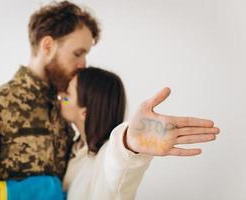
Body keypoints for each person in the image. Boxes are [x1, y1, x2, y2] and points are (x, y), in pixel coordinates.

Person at [0, 1, 100, 197]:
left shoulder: (64, 109)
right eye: (78, 53)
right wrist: (20, 194)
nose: (83, 65)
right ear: (48, 46)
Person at [60, 67, 220, 199]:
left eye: (68, 94)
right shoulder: (77, 149)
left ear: (84, 113)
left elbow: (119, 166)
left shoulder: (106, 156)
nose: (61, 97)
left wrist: (129, 144)